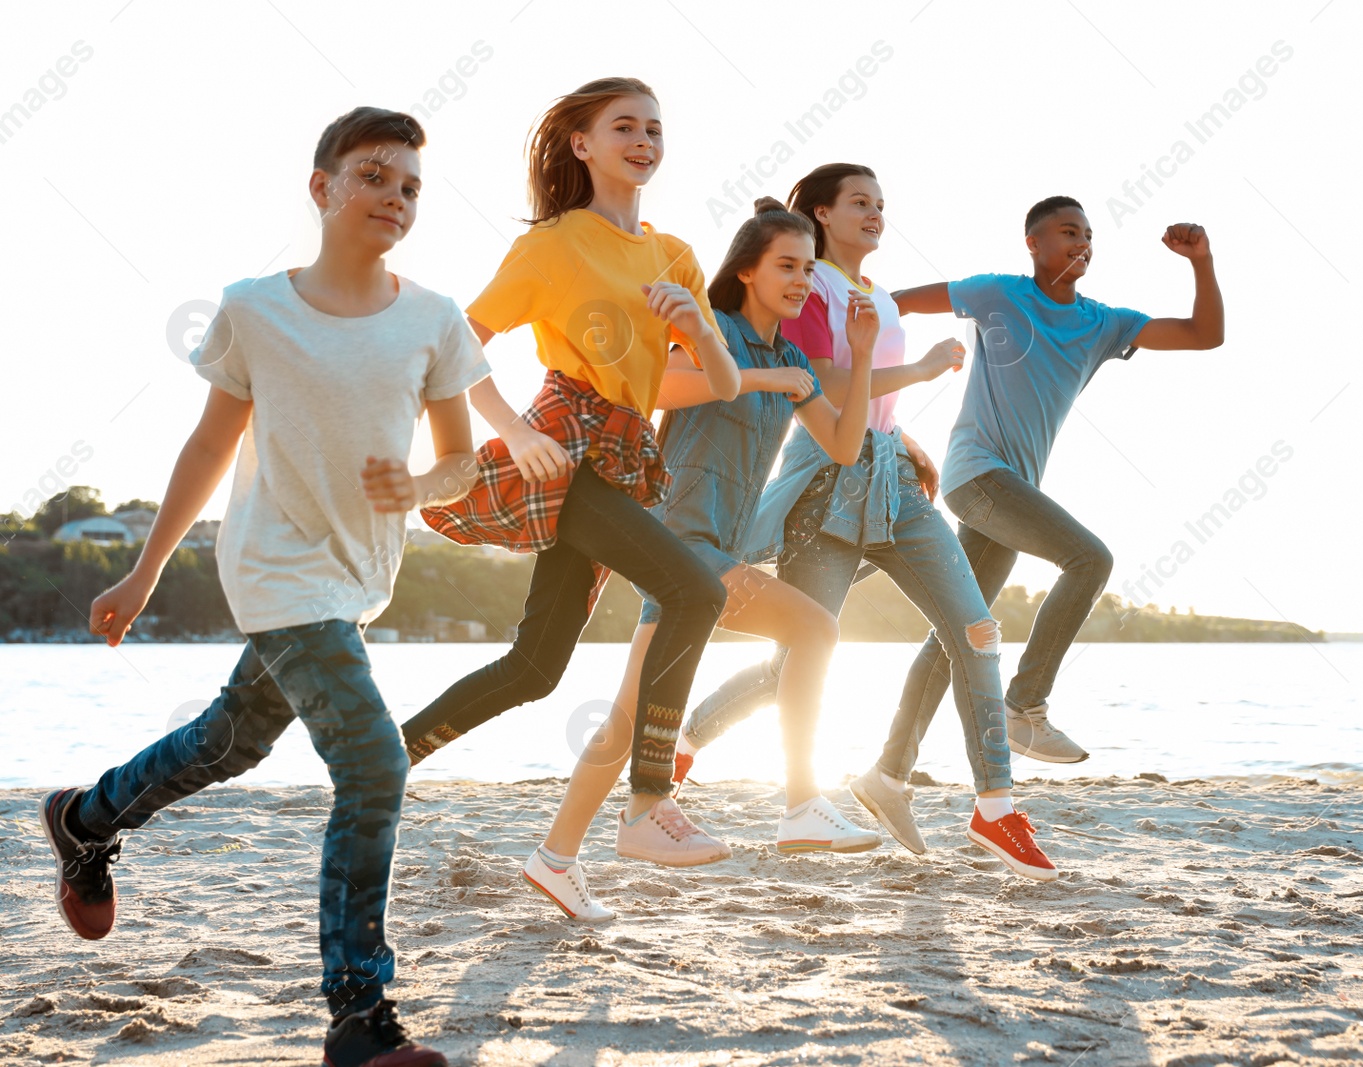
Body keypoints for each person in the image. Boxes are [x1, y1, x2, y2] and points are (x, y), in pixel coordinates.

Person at [39, 107, 489, 1067]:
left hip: (357, 577)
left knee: (228, 742)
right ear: (321, 186)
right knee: (374, 767)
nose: (394, 196)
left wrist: (419, 485)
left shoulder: (435, 318)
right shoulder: (255, 307)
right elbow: (211, 442)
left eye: (410, 185)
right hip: (275, 567)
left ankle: (86, 817)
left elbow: (461, 462)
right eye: (373, 175)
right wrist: (145, 567)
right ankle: (357, 1017)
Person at [674, 164, 1062, 882]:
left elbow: (862, 403)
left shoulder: (877, 294)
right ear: (820, 212)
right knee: (800, 653)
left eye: (882, 203)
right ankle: (691, 744)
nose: (877, 213)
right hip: (828, 485)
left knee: (975, 626)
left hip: (889, 478)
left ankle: (996, 804)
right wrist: (916, 372)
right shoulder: (810, 283)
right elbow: (822, 387)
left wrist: (904, 440)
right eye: (860, 202)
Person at [398, 78, 743, 871]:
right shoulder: (553, 245)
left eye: (655, 127)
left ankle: (389, 758)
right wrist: (513, 433)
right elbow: (454, 348)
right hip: (563, 444)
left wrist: (698, 327)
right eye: (624, 126)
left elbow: (720, 383)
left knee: (536, 667)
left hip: (624, 457)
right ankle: (649, 803)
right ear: (582, 144)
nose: (645, 140)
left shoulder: (674, 254)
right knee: (698, 591)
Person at [522, 199, 884, 921]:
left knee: (626, 719)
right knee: (815, 630)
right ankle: (800, 801)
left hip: (715, 549)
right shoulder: (711, 332)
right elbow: (656, 388)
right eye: (786, 265)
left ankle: (554, 857)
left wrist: (864, 351)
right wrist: (758, 382)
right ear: (746, 270)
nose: (801, 280)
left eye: (809, 269)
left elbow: (843, 446)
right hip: (677, 539)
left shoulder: (789, 359)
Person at [881, 196, 1223, 792]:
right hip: (978, 477)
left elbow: (1205, 336)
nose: (1082, 242)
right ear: (1033, 243)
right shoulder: (997, 293)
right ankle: (1025, 706)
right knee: (1089, 559)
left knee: (959, 634)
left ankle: (888, 772)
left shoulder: (1103, 323)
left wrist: (1201, 262)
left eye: (1089, 235)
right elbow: (898, 304)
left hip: (1007, 493)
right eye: (1068, 231)